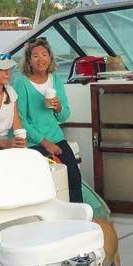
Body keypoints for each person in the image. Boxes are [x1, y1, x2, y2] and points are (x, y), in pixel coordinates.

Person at [12, 37, 83, 203]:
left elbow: (65, 115)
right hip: (33, 142)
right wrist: (46, 143)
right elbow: (21, 121)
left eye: (44, 54)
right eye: (35, 55)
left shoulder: (55, 79)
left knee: (74, 177)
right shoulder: (21, 83)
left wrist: (58, 108)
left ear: (50, 58)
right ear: (29, 61)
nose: (40, 59)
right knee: (48, 181)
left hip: (56, 137)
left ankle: (79, 218)